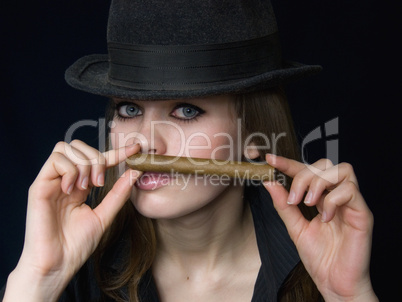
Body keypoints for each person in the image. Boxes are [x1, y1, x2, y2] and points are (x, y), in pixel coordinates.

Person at [1, 0, 378, 301]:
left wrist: (348, 296)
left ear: (254, 135)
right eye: (129, 109)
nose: (146, 142)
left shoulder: (318, 263)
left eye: (186, 111)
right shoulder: (79, 271)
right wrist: (38, 278)